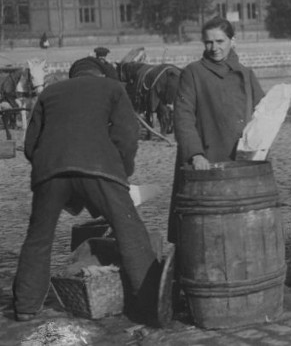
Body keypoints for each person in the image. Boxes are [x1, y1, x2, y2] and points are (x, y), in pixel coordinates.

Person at [14, 58, 160, 323]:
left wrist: (51, 167)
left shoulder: (49, 92)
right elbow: (127, 135)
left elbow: (30, 145)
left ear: (73, 75)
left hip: (49, 172)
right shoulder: (113, 88)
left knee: (38, 238)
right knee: (131, 232)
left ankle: (25, 306)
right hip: (99, 168)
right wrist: (121, 172)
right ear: (102, 74)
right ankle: (149, 303)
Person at [169, 17, 264, 242]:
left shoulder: (246, 74)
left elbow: (263, 116)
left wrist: (260, 149)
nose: (214, 48)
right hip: (206, 162)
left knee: (242, 226)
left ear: (233, 40)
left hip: (241, 162)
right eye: (208, 43)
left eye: (220, 41)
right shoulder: (193, 73)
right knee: (205, 231)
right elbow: (183, 117)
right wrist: (195, 154)